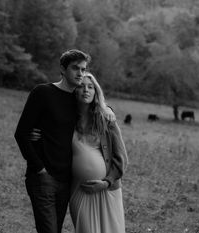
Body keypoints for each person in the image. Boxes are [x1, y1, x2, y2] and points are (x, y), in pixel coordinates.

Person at [31, 72, 128, 233]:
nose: (86, 90)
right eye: (81, 86)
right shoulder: (67, 119)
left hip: (108, 189)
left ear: (96, 92)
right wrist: (36, 135)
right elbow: (52, 139)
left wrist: (106, 182)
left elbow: (121, 158)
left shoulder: (106, 119)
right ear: (74, 91)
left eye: (91, 87)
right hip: (80, 189)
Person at [14, 49, 91, 233]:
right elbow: (21, 133)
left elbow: (98, 106)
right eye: (75, 68)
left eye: (83, 69)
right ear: (63, 69)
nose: (80, 73)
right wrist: (39, 168)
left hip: (66, 180)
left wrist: (110, 113)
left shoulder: (78, 100)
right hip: (43, 178)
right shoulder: (43, 92)